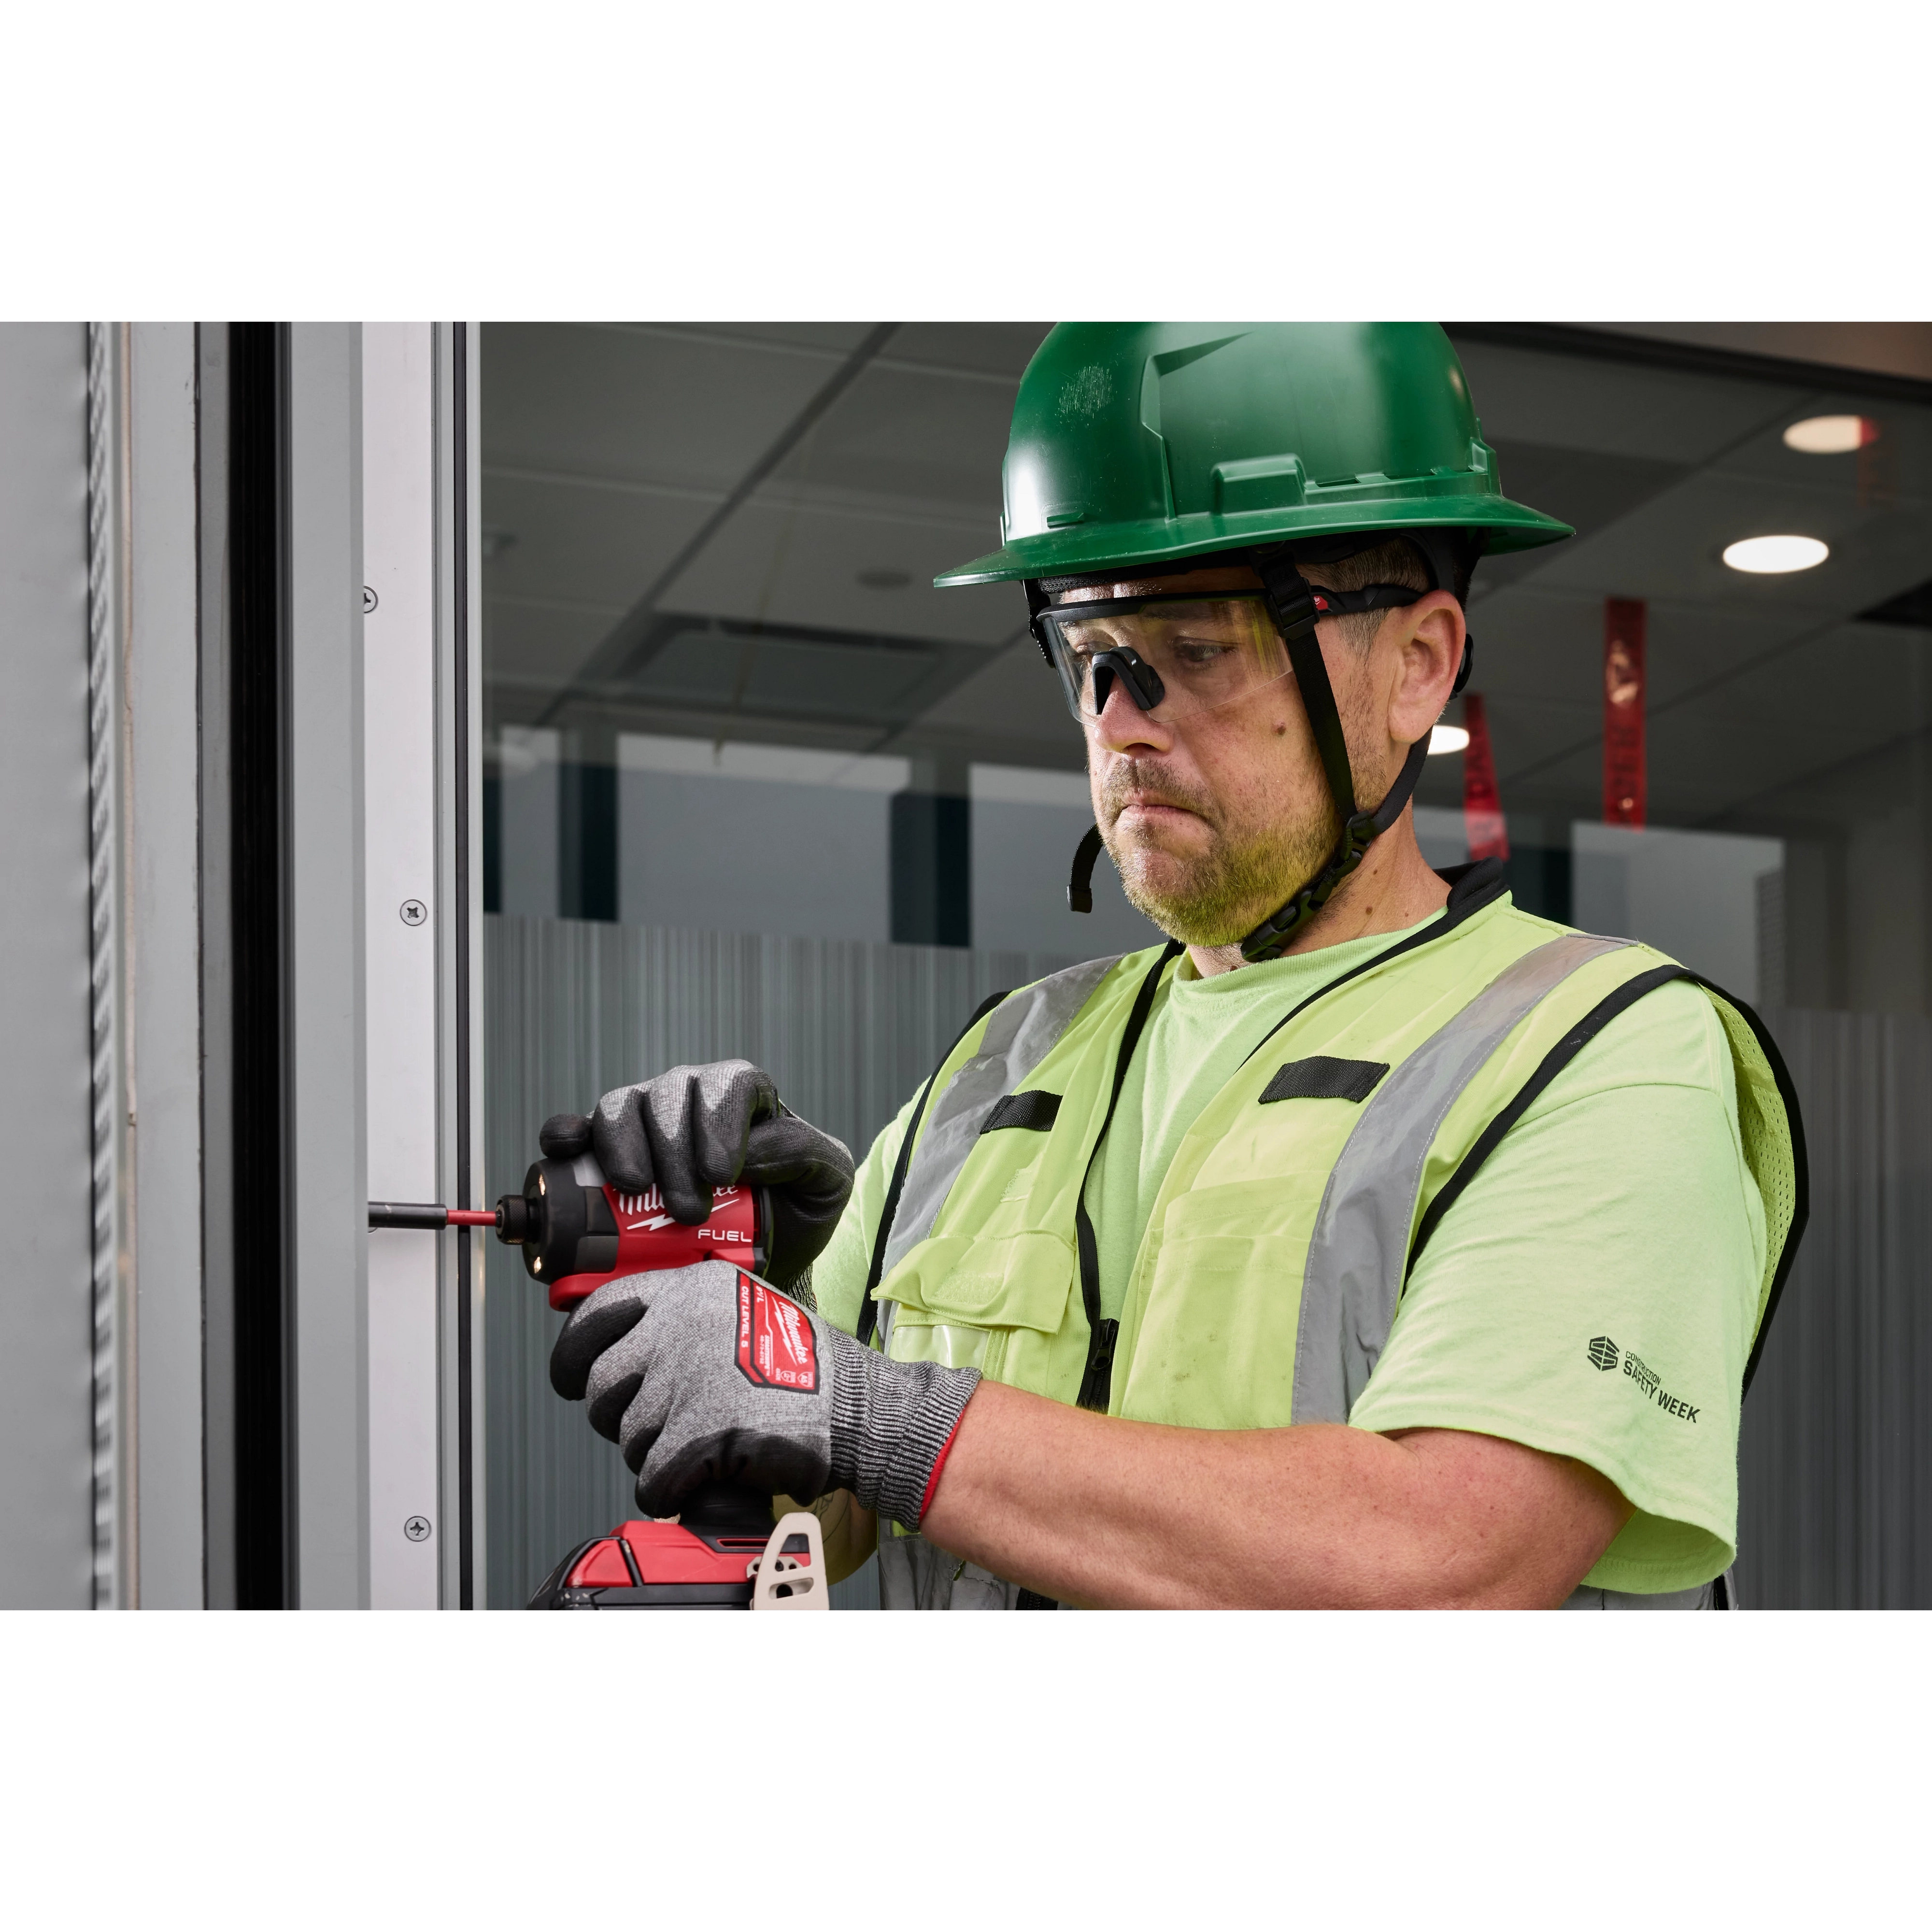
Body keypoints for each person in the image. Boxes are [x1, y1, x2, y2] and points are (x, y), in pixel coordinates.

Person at [544, 322, 1804, 1611]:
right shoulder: (1010, 1060)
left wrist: (884, 1417)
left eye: (1195, 650)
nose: (1119, 724)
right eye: (1088, 655)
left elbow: (1443, 1561)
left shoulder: (1600, 1052)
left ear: (1418, 665)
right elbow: (827, 1502)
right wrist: (761, 1291)